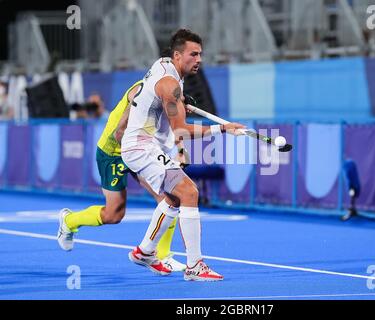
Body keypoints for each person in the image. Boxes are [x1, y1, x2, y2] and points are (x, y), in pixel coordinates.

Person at [121, 29, 245, 281]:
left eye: (200, 54)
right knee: (189, 192)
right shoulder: (170, 84)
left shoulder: (164, 66)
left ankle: (145, 251)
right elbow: (181, 129)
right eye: (193, 54)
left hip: (145, 144)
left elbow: (149, 96)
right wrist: (223, 128)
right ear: (178, 55)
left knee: (175, 198)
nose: (199, 59)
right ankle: (194, 266)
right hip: (140, 146)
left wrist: (177, 102)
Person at [57, 79, 187, 272]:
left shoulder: (170, 89)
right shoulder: (142, 88)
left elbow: (174, 125)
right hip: (113, 153)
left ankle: (162, 255)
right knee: (113, 214)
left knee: (170, 196)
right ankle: (69, 221)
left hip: (140, 149)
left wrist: (180, 146)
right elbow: (120, 132)